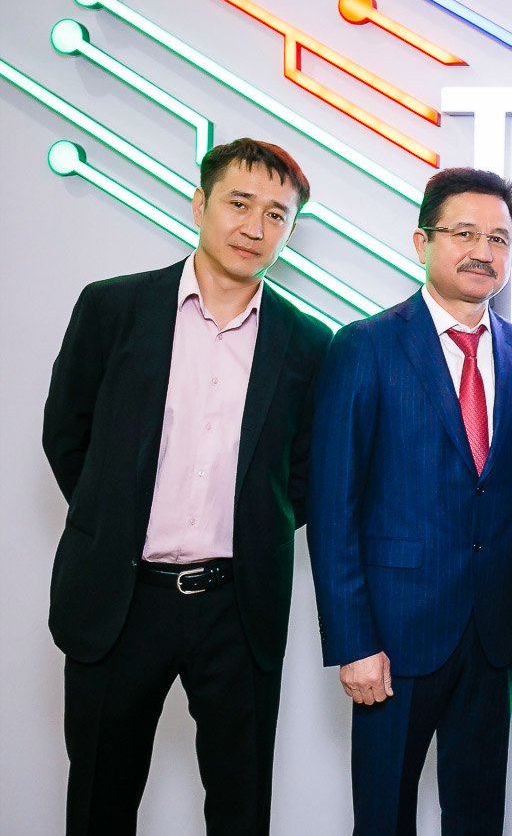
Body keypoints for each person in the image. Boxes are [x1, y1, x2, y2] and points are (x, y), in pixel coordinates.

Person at [42, 138, 331, 835]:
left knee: (240, 810)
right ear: (200, 205)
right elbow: (67, 434)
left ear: (290, 230)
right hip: (121, 598)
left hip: (237, 605)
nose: (254, 227)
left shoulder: (307, 342)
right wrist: (115, 518)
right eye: (239, 203)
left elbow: (301, 473)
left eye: (276, 215)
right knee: (100, 803)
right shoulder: (113, 308)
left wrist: (249, 529)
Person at [308, 167, 512, 835]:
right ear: (422, 241)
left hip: (492, 632)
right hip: (393, 636)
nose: (482, 251)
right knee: (384, 814)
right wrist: (353, 641)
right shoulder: (366, 346)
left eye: (498, 239)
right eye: (464, 233)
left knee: (478, 814)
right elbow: (333, 508)